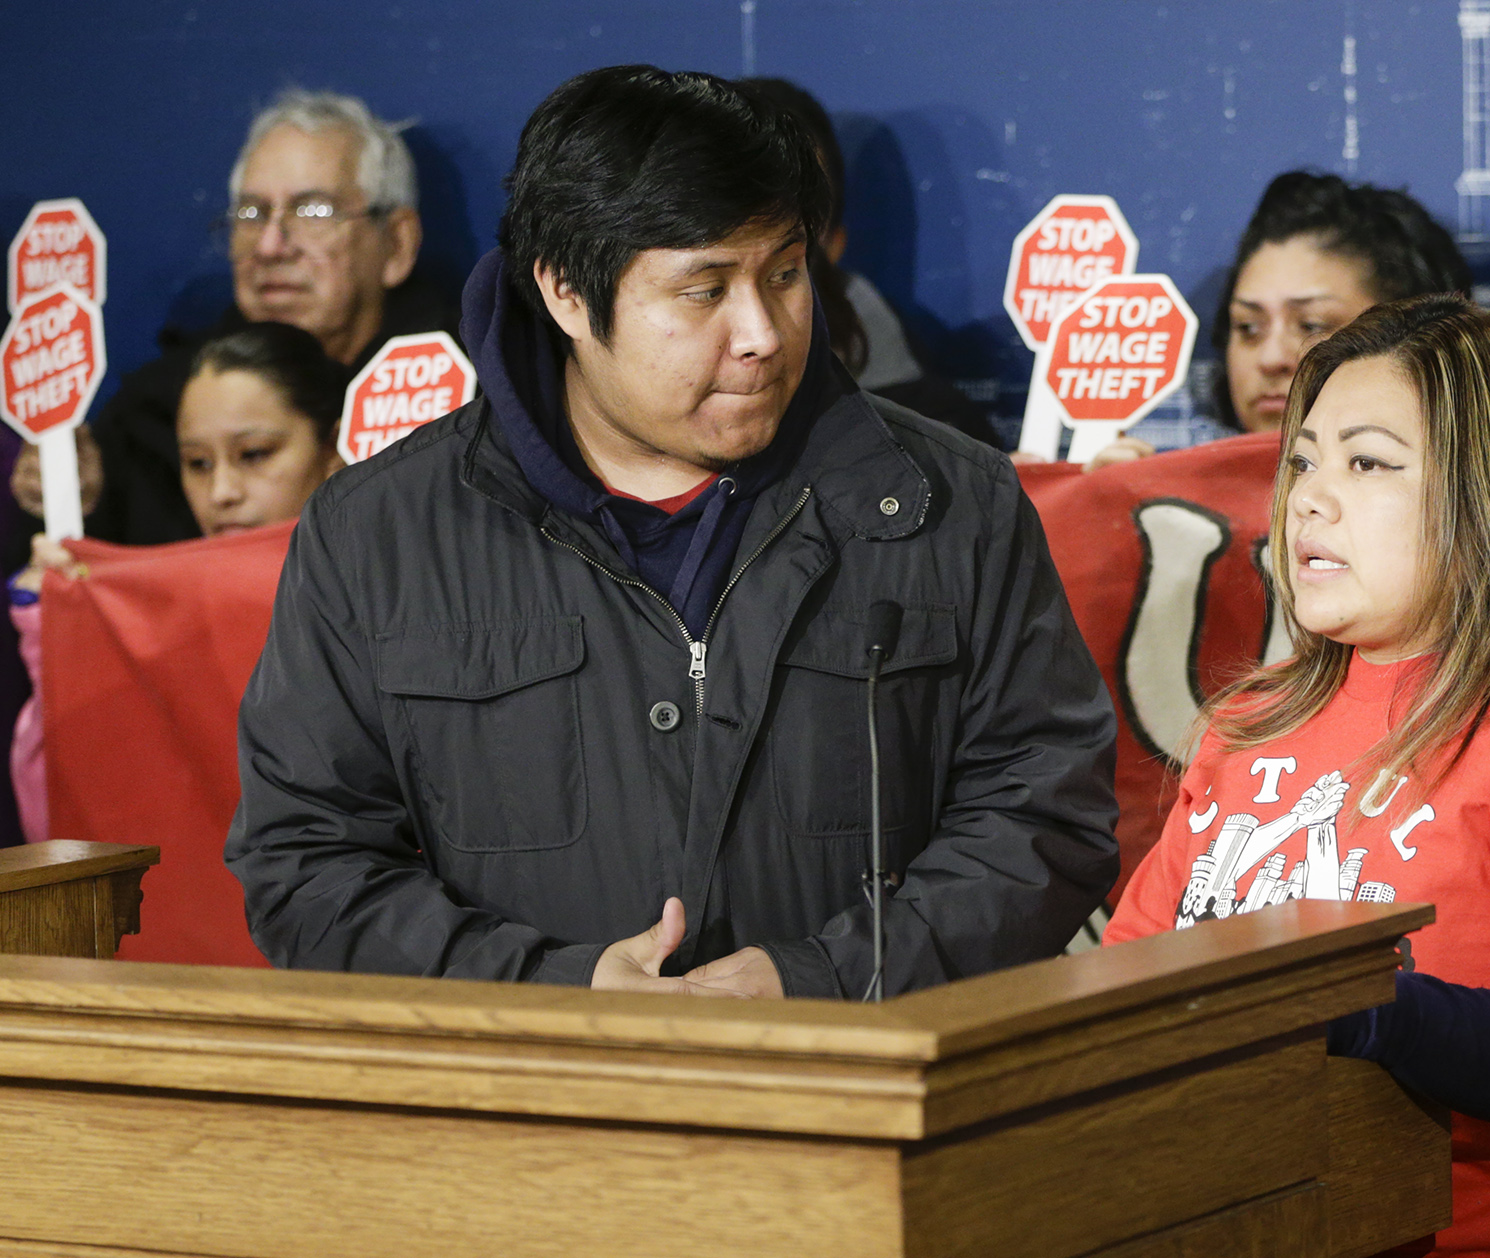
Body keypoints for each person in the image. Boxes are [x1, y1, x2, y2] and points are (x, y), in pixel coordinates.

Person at [225, 66, 1119, 999]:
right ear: (567, 294)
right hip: (532, 1120)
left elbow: (1045, 817)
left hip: (872, 1103)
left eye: (783, 274)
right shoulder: (376, 535)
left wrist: (825, 979)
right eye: (704, 290)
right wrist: (560, 993)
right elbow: (306, 866)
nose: (762, 332)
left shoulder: (950, 501)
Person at [1107, 294, 1490, 1255]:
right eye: (1304, 459)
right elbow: (1127, 993)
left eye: (1367, 463)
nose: (1308, 497)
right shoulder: (1246, 725)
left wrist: (1364, 1007)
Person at [12, 88, 455, 545]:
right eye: (251, 213)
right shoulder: (156, 414)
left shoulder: (472, 398)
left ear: (397, 243)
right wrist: (72, 506)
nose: (269, 246)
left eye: (313, 210)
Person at [10, 324, 347, 842]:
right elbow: (67, 820)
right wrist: (53, 637)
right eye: (197, 463)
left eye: (255, 453)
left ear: (333, 447)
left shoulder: (393, 599)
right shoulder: (142, 625)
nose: (222, 491)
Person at [1075, 171, 1472, 473]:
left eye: (1312, 325)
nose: (1271, 358)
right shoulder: (1161, 494)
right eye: (1248, 328)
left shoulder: (1474, 512)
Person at [736, 76, 1001, 448]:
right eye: (707, 290)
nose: (758, 338)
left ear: (835, 244)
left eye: (800, 215)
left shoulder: (870, 337)